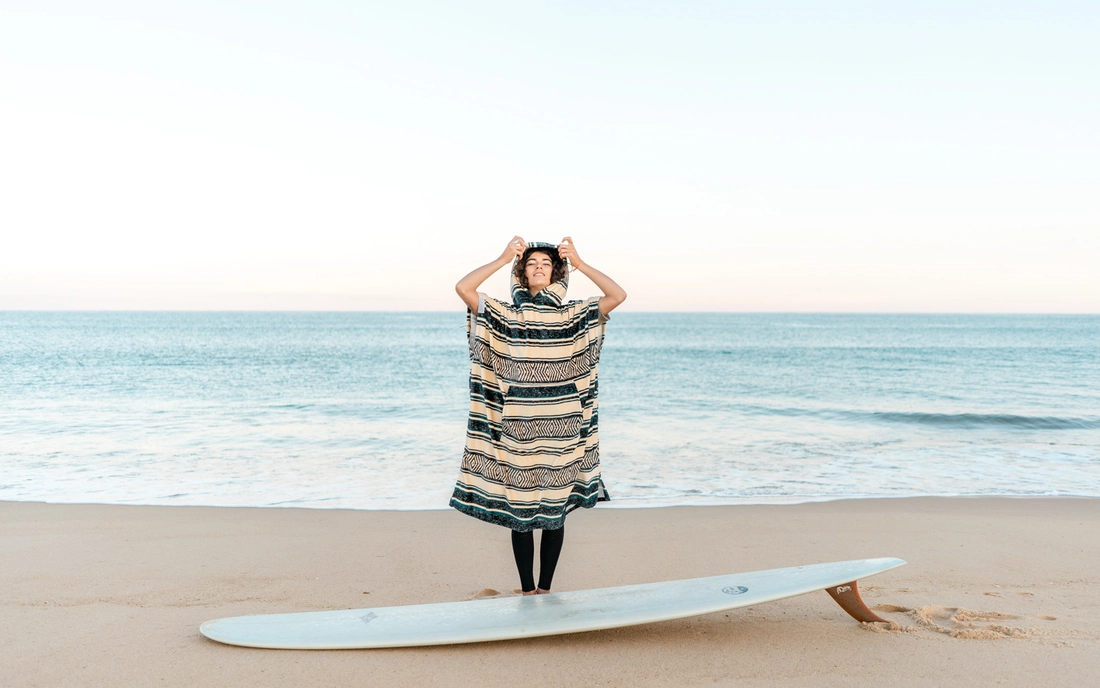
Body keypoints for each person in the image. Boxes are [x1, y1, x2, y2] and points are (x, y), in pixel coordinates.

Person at [451, 236, 626, 595]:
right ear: (522, 273)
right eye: (532, 264)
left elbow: (618, 295)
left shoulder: (573, 314)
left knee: (554, 513)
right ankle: (527, 589)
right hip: (516, 433)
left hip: (564, 431)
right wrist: (503, 258)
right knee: (521, 515)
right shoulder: (505, 314)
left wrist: (580, 261)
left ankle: (545, 589)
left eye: (546, 263)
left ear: (557, 272)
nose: (539, 267)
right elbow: (464, 288)